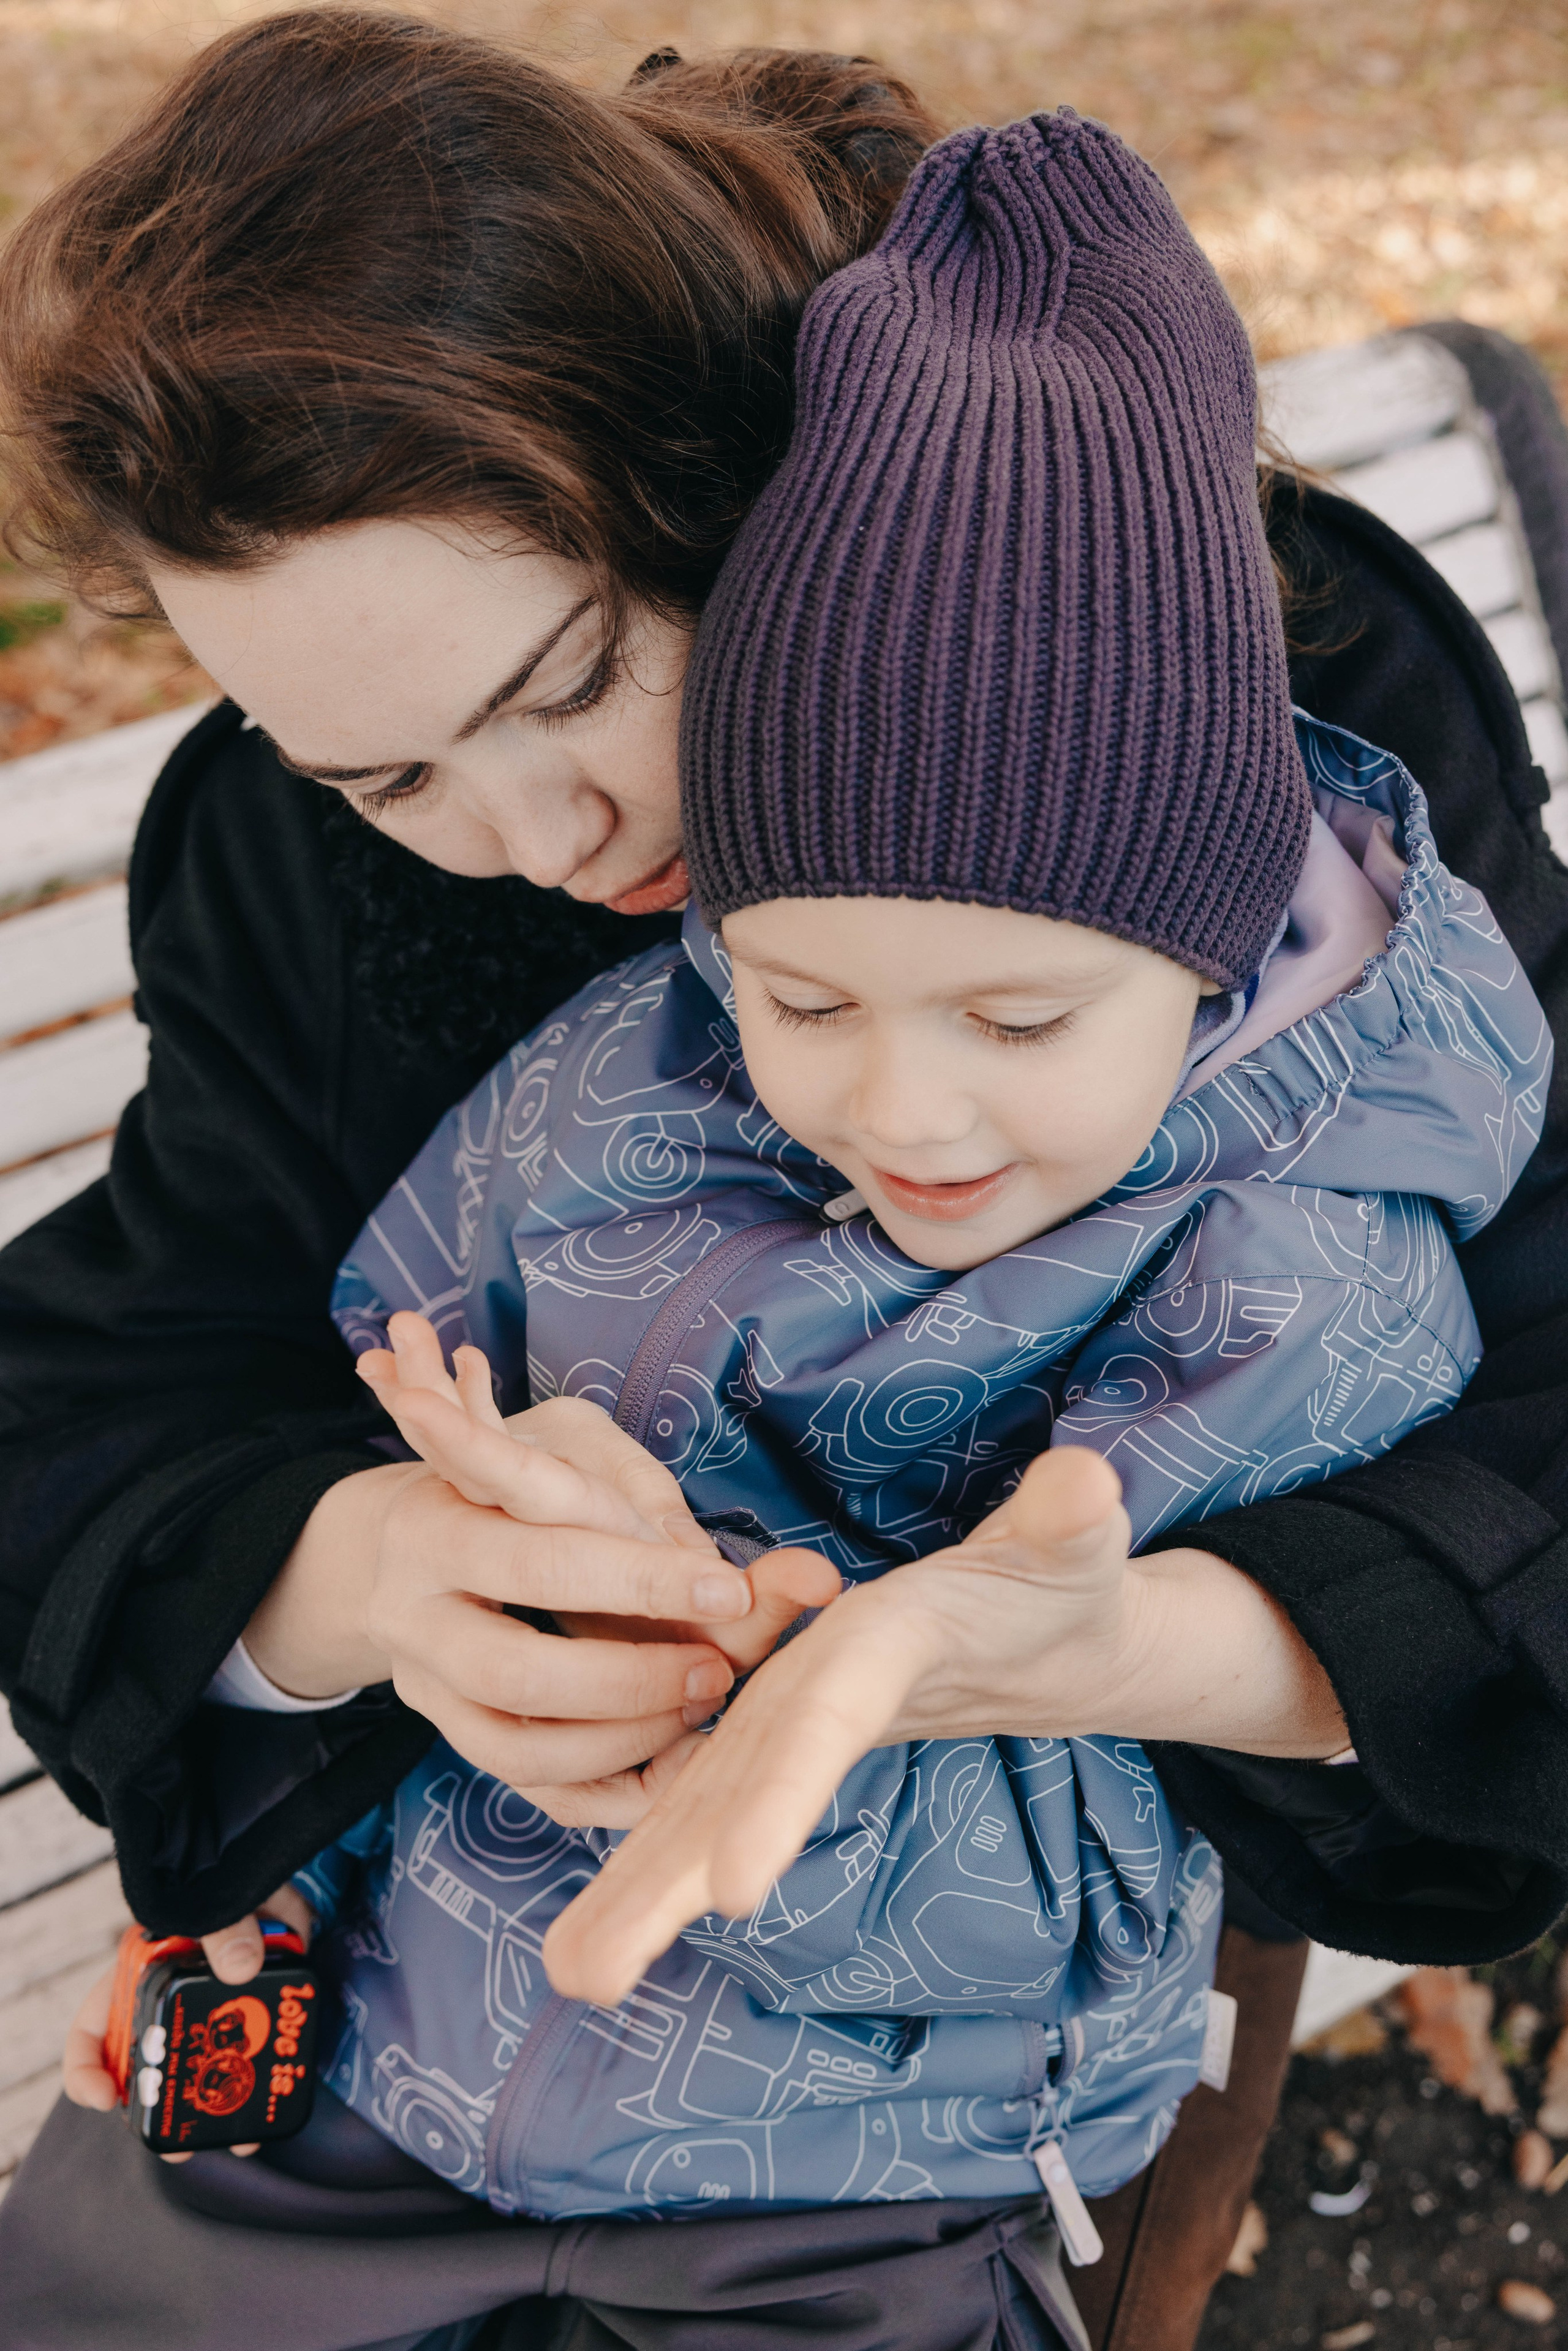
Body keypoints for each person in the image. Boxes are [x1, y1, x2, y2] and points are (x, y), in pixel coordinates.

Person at [0, 7, 1562, 2347]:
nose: (548, 842)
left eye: (567, 679)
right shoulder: (282, 861)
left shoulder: (1230, 670)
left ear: (714, 473)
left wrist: (1090, 1647)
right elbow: (143, 1365)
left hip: (934, 2116)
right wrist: (372, 1583)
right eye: (384, 775)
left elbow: (1536, 1393)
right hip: (396, 2028)